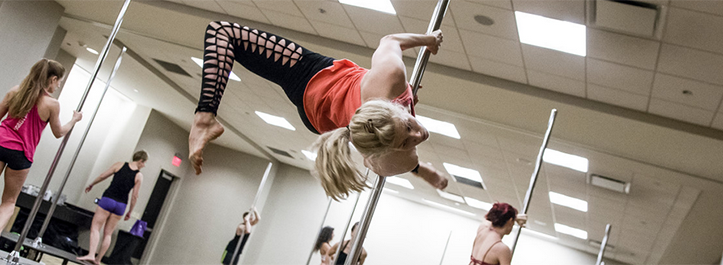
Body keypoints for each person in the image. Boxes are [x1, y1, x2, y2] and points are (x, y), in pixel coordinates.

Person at [188, 21, 449, 200]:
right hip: (320, 117)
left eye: (406, 136)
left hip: (311, 80)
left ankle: (204, 118)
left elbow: (391, 40)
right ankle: (204, 120)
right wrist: (430, 41)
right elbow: (389, 40)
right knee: (222, 33)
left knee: (222, 32)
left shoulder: (389, 78)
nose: (419, 135)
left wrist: (428, 40)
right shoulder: (390, 82)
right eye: (407, 135)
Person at [0, 59, 83, 231]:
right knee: (8, 203)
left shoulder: (15, 91)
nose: (59, 85)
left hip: (1, 141)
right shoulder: (52, 104)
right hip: (21, 154)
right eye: (59, 81)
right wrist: (74, 120)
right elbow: (58, 132)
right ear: (53, 79)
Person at [77, 150, 148, 265]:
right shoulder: (139, 175)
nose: (144, 165)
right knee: (108, 234)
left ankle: (91, 254)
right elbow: (135, 196)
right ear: (140, 160)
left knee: (95, 227)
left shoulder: (119, 165)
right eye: (144, 163)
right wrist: (130, 211)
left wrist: (92, 184)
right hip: (121, 205)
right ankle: (98, 259)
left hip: (108, 199)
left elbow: (102, 176)